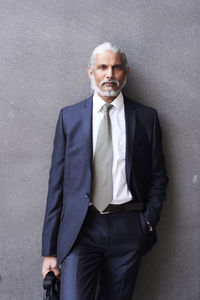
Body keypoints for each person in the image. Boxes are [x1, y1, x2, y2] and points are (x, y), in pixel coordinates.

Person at [41, 42, 168, 300]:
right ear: (91, 72)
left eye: (116, 67)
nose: (109, 74)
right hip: (81, 228)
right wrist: (50, 251)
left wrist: (148, 221)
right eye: (102, 67)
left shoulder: (146, 118)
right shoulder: (70, 118)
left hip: (129, 227)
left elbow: (158, 175)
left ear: (126, 73)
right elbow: (57, 185)